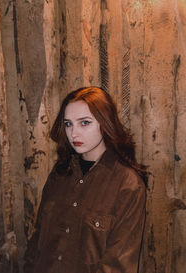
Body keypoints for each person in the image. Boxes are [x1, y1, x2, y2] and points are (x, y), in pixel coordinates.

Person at [24, 86, 147, 273]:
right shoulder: (59, 175)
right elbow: (37, 241)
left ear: (105, 123)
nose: (73, 134)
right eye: (68, 124)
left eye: (84, 123)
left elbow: (118, 265)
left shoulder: (127, 185)